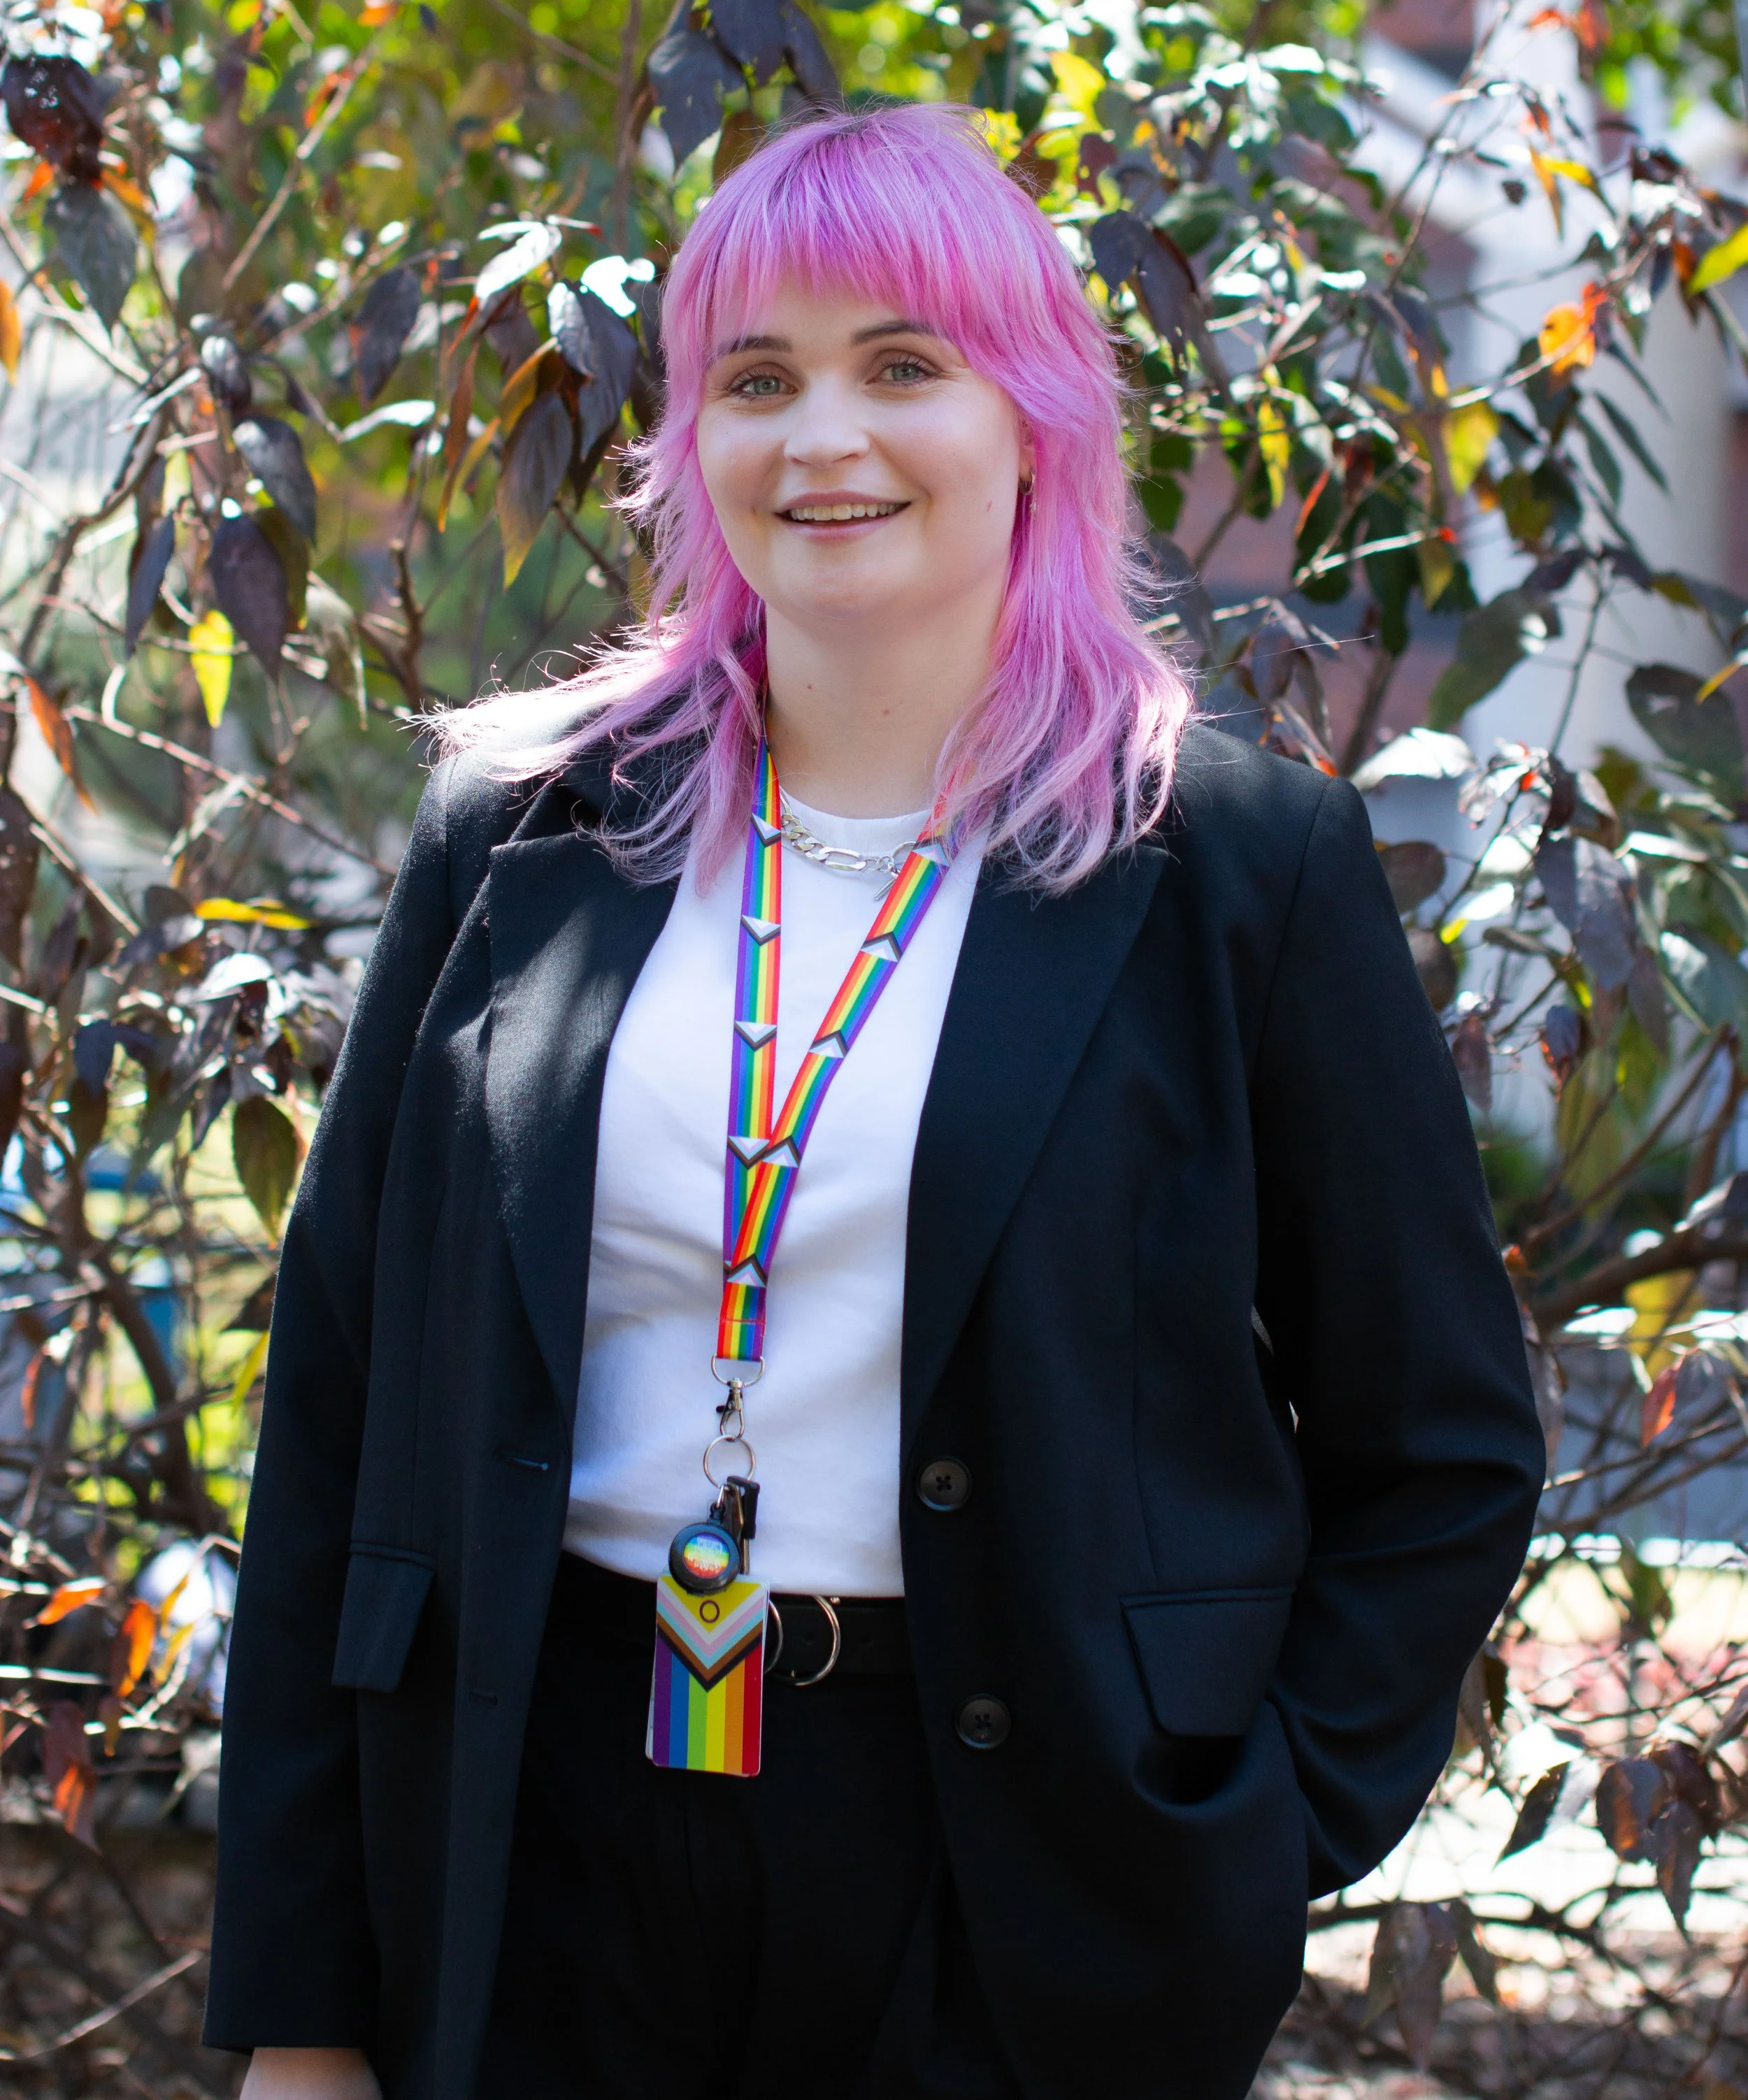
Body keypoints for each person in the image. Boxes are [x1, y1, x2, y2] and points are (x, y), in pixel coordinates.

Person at [206, 103, 1544, 2100]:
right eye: (756, 379)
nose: (820, 435)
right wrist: (302, 2006)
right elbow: (335, 1418)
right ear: (691, 441)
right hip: (535, 1807)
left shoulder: (1234, 872)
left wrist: (1239, 1841)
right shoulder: (519, 830)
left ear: (1033, 416)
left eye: (899, 364)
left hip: (1012, 1854)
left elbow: (1434, 1440)